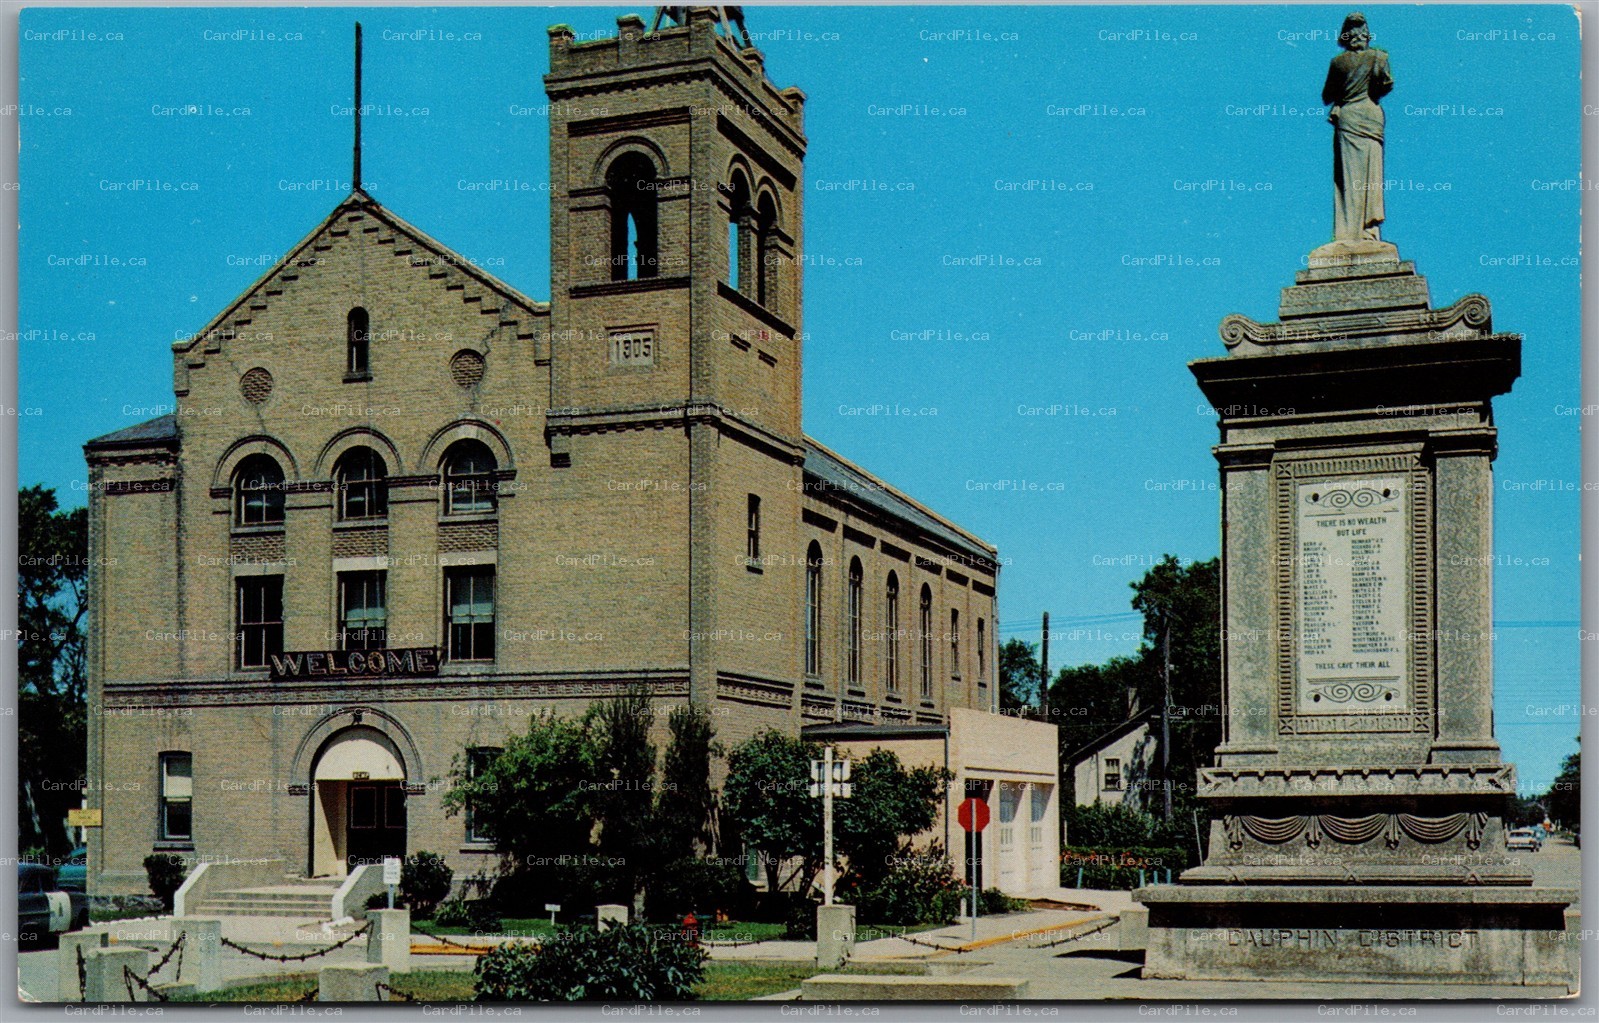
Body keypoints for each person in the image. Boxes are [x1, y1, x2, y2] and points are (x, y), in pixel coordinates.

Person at [1322, 12, 1394, 242]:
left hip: (1352, 117)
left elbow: (1327, 95)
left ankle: (1350, 232)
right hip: (1369, 115)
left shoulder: (1338, 62)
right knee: (1369, 175)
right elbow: (1384, 86)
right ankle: (1367, 230)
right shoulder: (1379, 57)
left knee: (1350, 176)